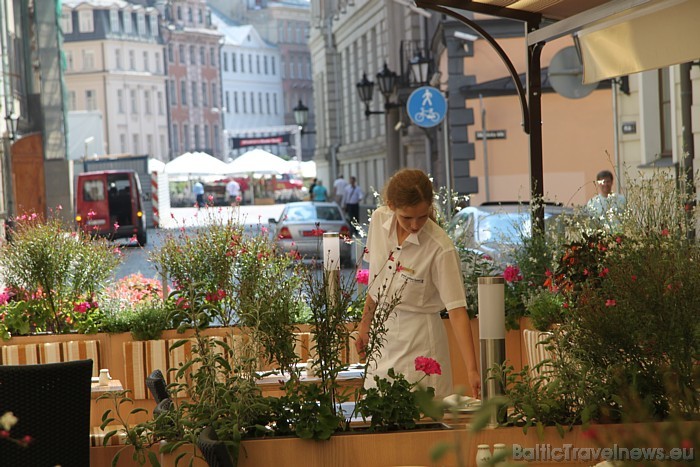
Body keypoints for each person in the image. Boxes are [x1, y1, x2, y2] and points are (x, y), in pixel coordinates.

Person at [354, 169, 481, 399]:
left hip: (421, 342)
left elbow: (457, 311)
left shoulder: (440, 247)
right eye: (407, 218)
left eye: (422, 216)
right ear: (391, 205)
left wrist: (472, 370)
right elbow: (375, 282)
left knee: (421, 420)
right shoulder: (379, 220)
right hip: (382, 338)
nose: (415, 225)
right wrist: (365, 326)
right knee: (377, 411)